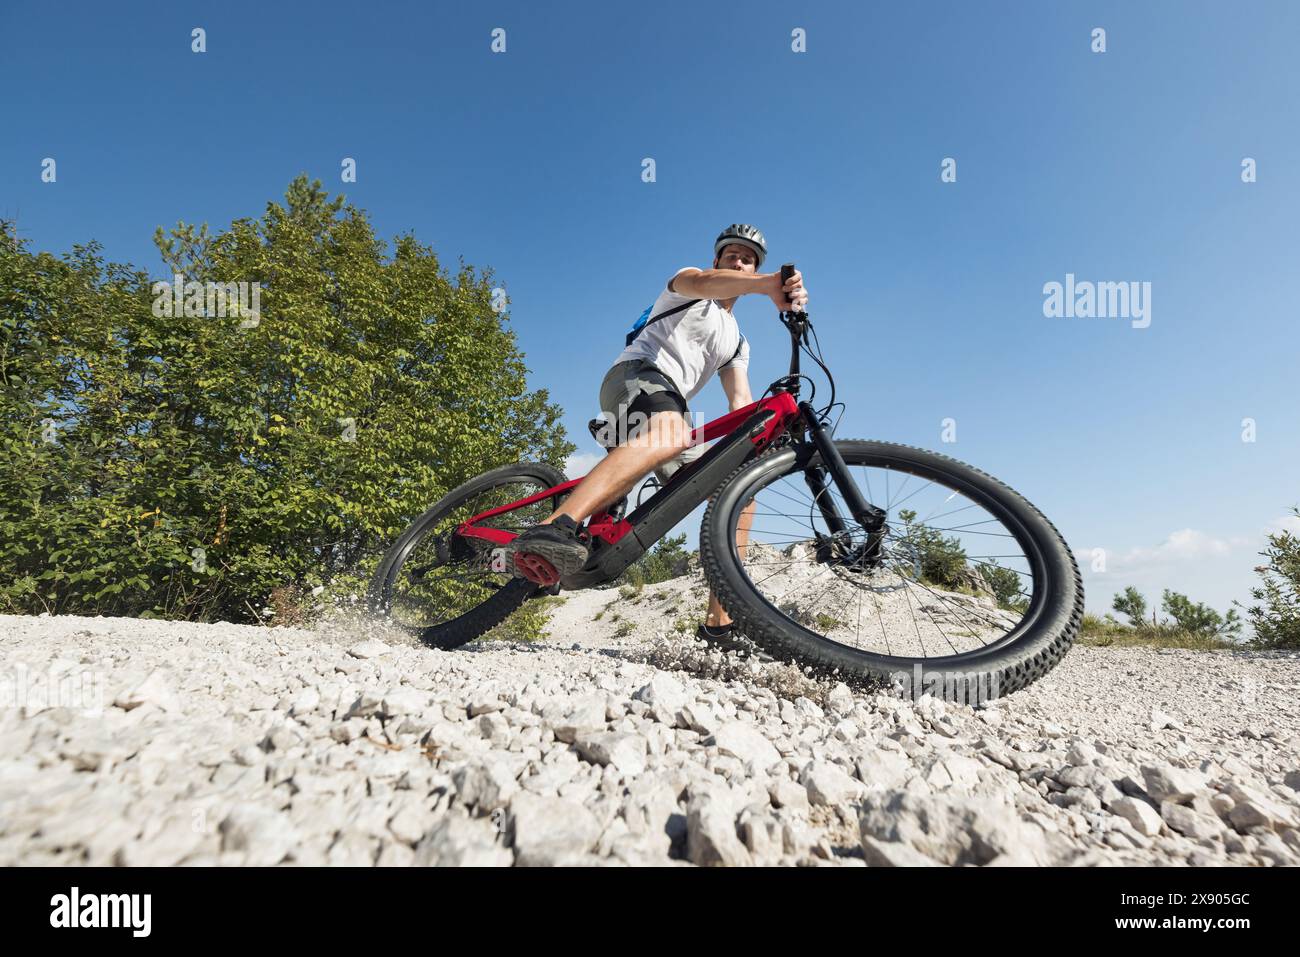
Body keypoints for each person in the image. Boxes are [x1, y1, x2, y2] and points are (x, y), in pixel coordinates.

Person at [505, 224, 808, 653]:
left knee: (739, 490)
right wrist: (767, 284)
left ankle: (718, 627)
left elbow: (740, 400)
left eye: (748, 259)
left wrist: (765, 435)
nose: (739, 263)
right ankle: (555, 527)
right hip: (636, 375)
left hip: (668, 405)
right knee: (672, 430)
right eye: (732, 256)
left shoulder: (738, 341)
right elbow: (704, 281)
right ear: (718, 260)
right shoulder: (688, 286)